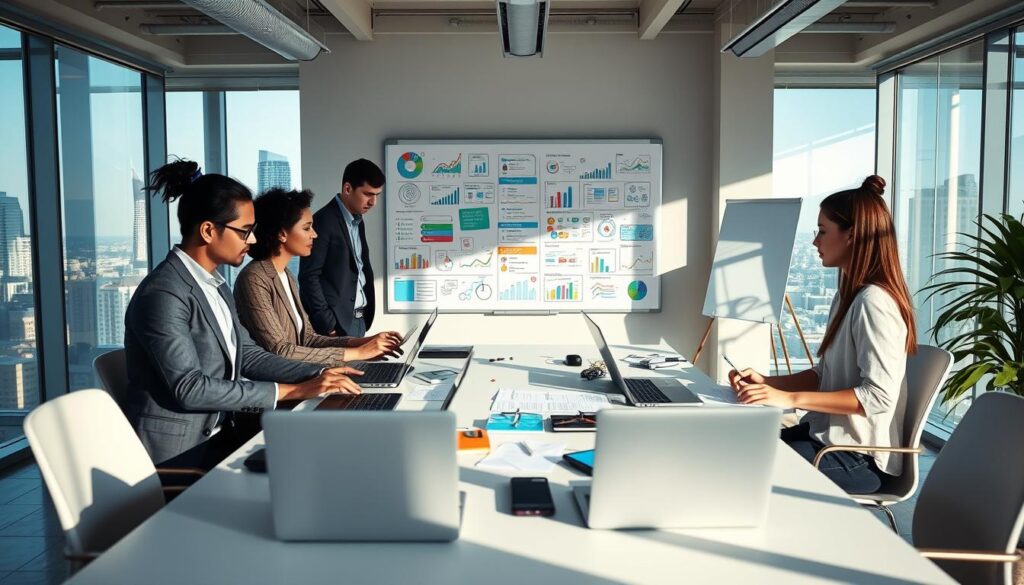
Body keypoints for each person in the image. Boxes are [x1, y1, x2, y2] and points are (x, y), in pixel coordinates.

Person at [124, 159, 363, 469]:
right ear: (208, 230)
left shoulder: (215, 285)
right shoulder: (164, 293)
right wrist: (292, 390)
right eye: (245, 231)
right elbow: (190, 388)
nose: (252, 240)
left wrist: (318, 374)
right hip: (179, 456)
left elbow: (249, 355)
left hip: (222, 437)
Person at [727, 175, 917, 495]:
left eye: (823, 231)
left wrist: (788, 399)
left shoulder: (874, 302)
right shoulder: (847, 295)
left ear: (851, 236)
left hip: (857, 458)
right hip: (824, 439)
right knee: (732, 448)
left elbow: (878, 397)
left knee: (741, 468)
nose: (815, 241)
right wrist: (768, 382)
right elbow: (824, 375)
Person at [234, 188, 403, 366]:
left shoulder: (286, 275)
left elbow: (308, 338)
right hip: (277, 380)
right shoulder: (254, 278)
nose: (314, 234)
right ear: (282, 234)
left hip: (302, 374)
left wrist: (364, 342)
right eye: (307, 228)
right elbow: (281, 350)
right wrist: (359, 353)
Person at [299, 159, 383, 337]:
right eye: (368, 194)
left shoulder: (357, 220)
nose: (373, 202)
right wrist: (327, 324)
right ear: (347, 188)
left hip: (359, 320)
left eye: (377, 195)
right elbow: (309, 275)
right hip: (336, 325)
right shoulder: (323, 221)